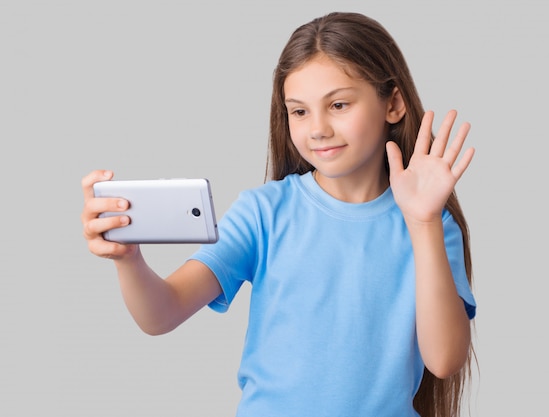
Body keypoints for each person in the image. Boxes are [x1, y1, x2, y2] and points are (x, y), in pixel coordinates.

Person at [81, 11, 476, 417]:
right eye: (299, 111)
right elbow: (161, 314)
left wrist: (424, 222)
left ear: (393, 103)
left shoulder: (430, 226)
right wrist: (127, 259)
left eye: (338, 104)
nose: (317, 128)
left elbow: (444, 360)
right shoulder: (263, 213)